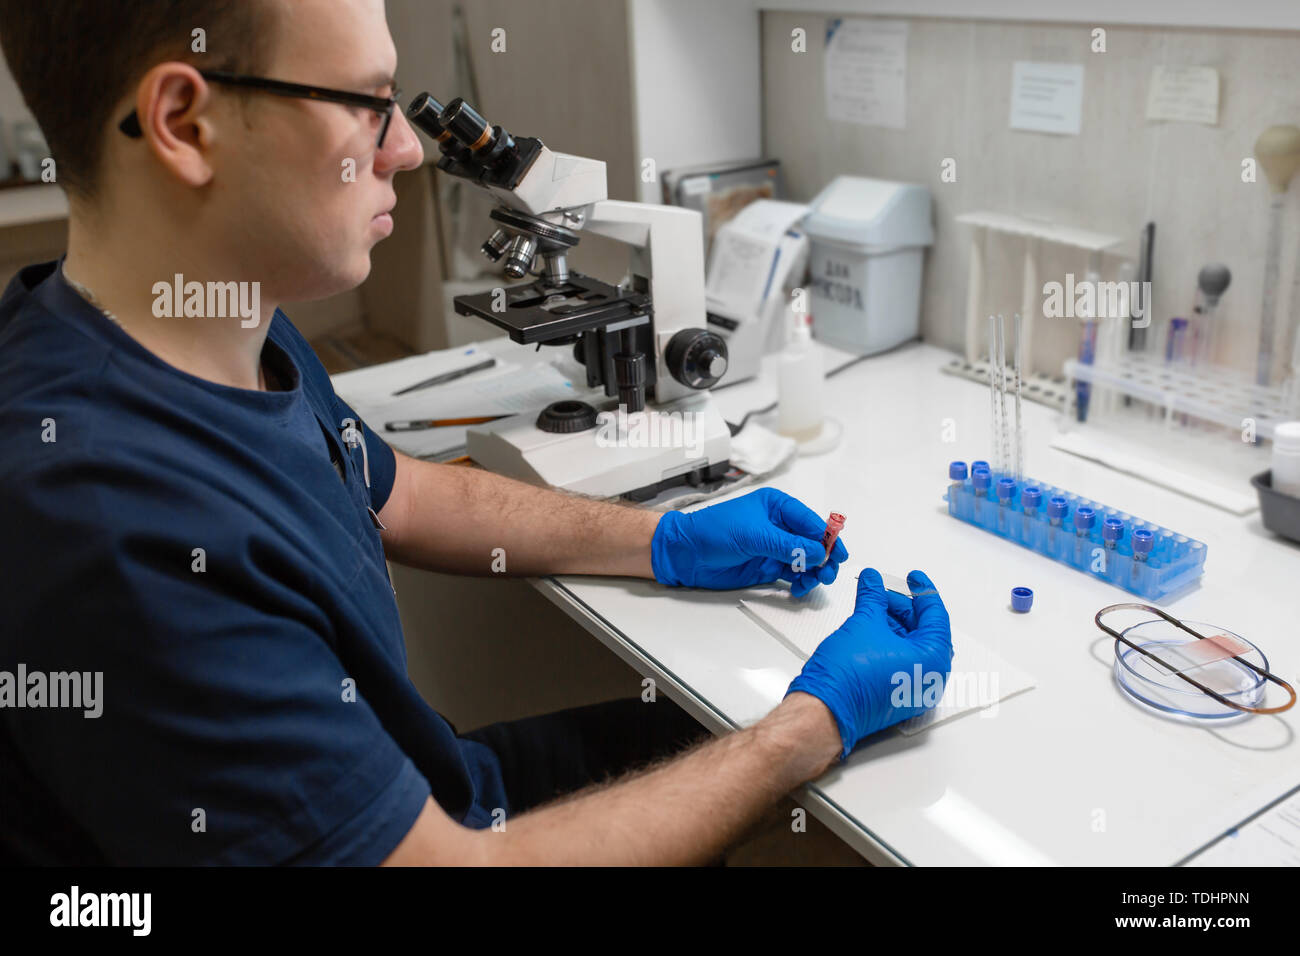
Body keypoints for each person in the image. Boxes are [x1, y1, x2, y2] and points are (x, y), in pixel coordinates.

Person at [0, 0, 952, 865]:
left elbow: (400, 493)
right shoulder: (114, 524)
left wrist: (661, 541)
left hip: (435, 791)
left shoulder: (217, 323)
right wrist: (812, 724)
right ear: (185, 124)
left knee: (749, 755)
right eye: (368, 104)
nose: (408, 150)